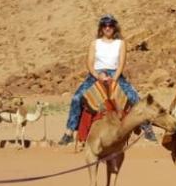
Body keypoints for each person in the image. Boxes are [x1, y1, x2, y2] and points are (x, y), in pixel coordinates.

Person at [60, 14, 142, 145]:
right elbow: (89, 63)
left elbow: (121, 63)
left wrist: (114, 78)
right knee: (77, 98)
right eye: (105, 25)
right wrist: (97, 75)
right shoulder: (95, 43)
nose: (107, 28)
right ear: (101, 28)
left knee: (134, 97)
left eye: (110, 25)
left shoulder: (120, 43)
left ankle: (147, 129)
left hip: (115, 73)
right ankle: (69, 131)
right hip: (96, 74)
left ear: (115, 27)